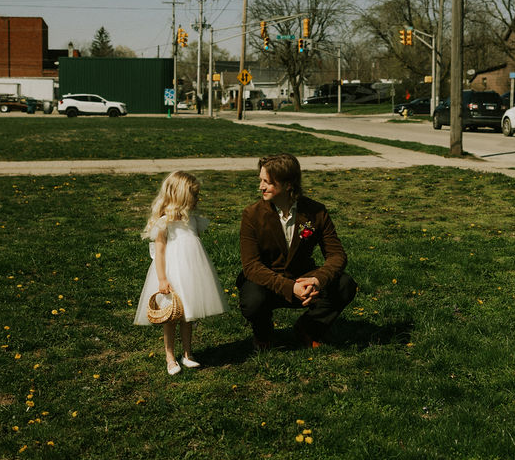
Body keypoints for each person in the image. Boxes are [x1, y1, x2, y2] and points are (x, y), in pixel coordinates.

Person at [237, 153, 357, 349]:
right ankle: (263, 333)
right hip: (267, 282)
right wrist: (290, 287)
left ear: (288, 184)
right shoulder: (252, 215)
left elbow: (337, 255)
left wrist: (317, 280)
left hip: (304, 277)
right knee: (252, 299)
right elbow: (251, 266)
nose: (261, 187)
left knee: (345, 284)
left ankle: (308, 328)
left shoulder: (316, 211)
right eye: (261, 180)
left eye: (267, 182)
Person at [134, 171, 228, 375]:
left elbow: (194, 248)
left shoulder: (193, 221)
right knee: (171, 317)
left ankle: (188, 353)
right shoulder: (164, 222)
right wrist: (162, 279)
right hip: (171, 272)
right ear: (181, 197)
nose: (197, 200)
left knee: (187, 315)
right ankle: (170, 356)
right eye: (194, 195)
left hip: (192, 273)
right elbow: (159, 252)